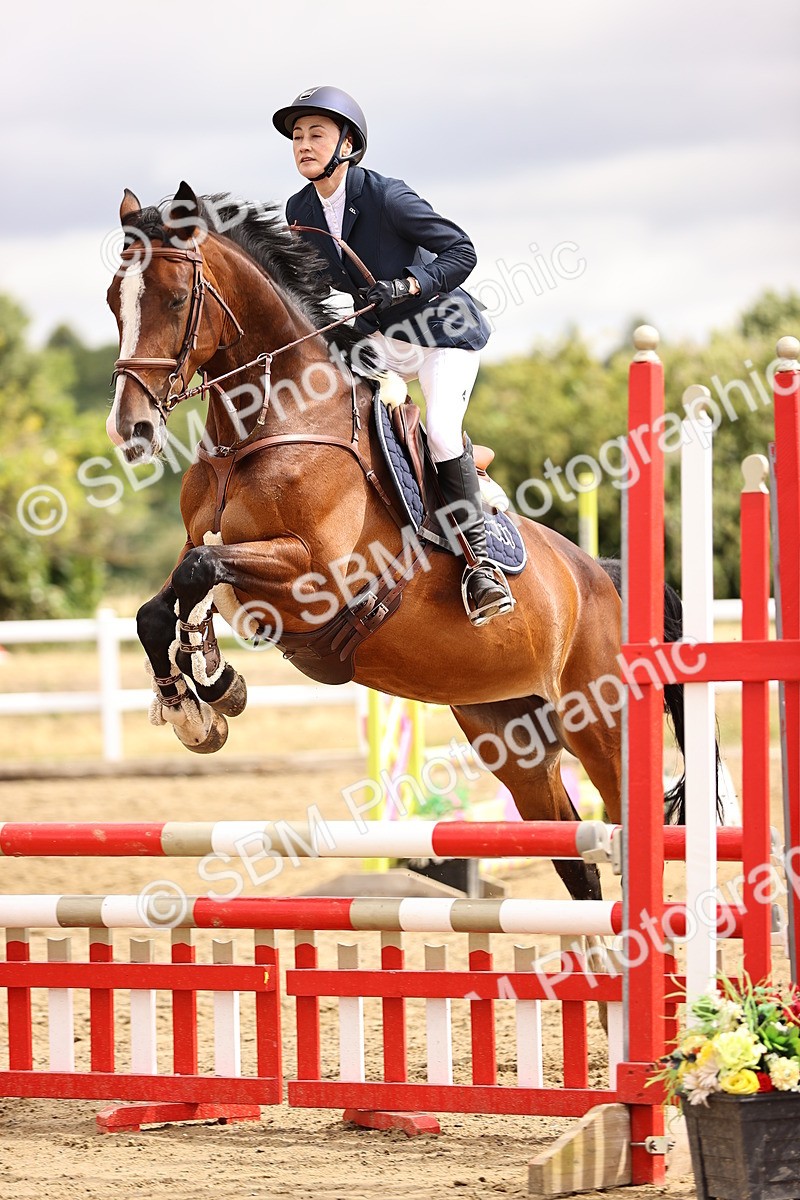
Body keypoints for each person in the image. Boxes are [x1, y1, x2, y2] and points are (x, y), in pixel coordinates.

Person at [272, 85, 514, 627]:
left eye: (316, 134)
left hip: (440, 332)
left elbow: (462, 251)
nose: (303, 145)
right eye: (297, 136)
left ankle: (481, 567)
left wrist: (407, 285)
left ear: (348, 145)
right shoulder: (300, 208)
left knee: (443, 433)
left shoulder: (387, 197)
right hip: (380, 337)